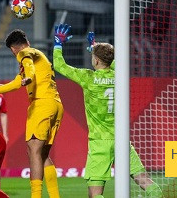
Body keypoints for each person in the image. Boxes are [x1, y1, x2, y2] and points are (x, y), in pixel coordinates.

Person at [53, 24, 163, 197]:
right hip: (121, 139)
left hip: (100, 142)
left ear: (96, 60)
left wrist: (58, 43)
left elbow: (59, 66)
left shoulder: (88, 78)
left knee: (95, 193)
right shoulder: (119, 75)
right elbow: (112, 62)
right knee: (144, 180)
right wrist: (95, 47)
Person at [0, 29, 63, 198]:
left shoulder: (24, 53)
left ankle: (36, 196)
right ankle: (55, 196)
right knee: (42, 154)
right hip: (55, 104)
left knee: (33, 151)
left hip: (41, 104)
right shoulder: (38, 54)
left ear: (13, 49)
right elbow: (17, 83)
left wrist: (29, 78)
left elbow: (28, 70)